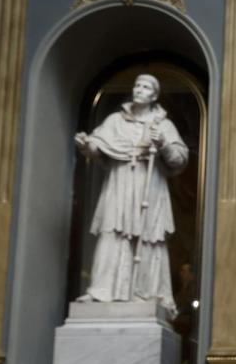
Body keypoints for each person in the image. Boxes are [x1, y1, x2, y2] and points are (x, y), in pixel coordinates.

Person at [75, 73, 188, 318]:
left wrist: (163, 145)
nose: (139, 89)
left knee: (149, 238)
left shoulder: (162, 125)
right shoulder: (116, 120)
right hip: (120, 184)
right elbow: (98, 144)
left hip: (150, 187)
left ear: (154, 95)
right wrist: (87, 145)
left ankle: (147, 292)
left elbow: (179, 158)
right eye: (137, 85)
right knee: (112, 231)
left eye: (146, 86)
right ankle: (101, 290)